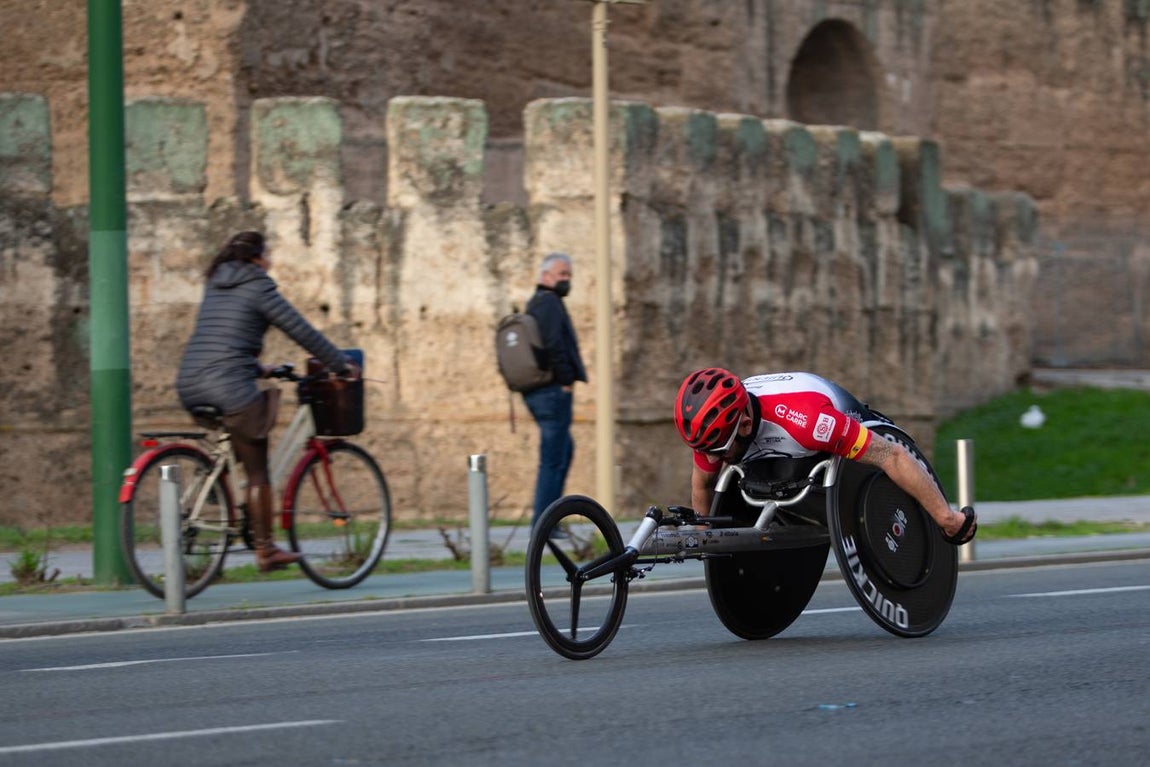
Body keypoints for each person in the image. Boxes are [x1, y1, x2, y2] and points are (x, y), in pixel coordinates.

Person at [176, 231, 360, 572]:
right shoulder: (258, 285)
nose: (271, 261)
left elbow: (224, 339)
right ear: (255, 259)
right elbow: (301, 331)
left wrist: (262, 368)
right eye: (268, 255)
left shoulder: (216, 283)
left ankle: (226, 502)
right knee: (259, 471)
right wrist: (340, 364)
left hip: (190, 382)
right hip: (228, 387)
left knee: (238, 445)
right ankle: (266, 549)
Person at [673, 367, 977, 544]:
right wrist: (704, 537)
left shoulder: (809, 424)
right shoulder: (716, 432)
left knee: (877, 453)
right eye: (704, 451)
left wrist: (948, 519)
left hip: (828, 423)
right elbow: (703, 484)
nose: (713, 458)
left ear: (746, 424)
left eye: (718, 450)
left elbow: (891, 455)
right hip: (780, 453)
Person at [523, 252, 588, 536]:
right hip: (552, 392)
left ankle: (547, 519)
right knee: (553, 457)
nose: (566, 280)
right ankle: (544, 523)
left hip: (542, 392)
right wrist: (564, 380)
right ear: (545, 276)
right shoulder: (548, 303)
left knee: (563, 451)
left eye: (569, 275)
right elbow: (553, 344)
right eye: (562, 274)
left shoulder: (538, 303)